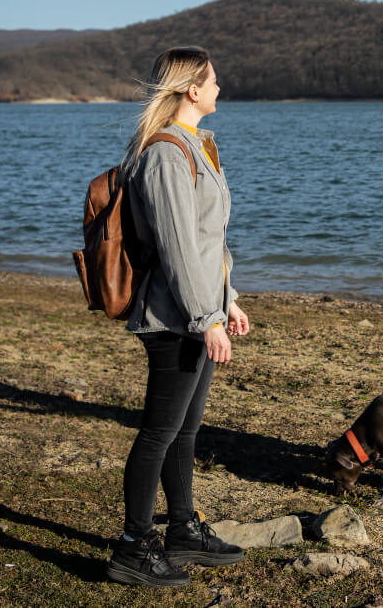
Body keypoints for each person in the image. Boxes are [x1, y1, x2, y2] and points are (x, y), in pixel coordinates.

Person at [105, 46, 251, 586]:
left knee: (185, 430)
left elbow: (209, 241)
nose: (220, 87)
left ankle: (183, 529)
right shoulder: (167, 152)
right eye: (213, 80)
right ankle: (132, 547)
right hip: (173, 319)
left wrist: (227, 299)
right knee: (159, 432)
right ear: (192, 90)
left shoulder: (196, 144)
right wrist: (205, 319)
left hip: (198, 309)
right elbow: (176, 247)